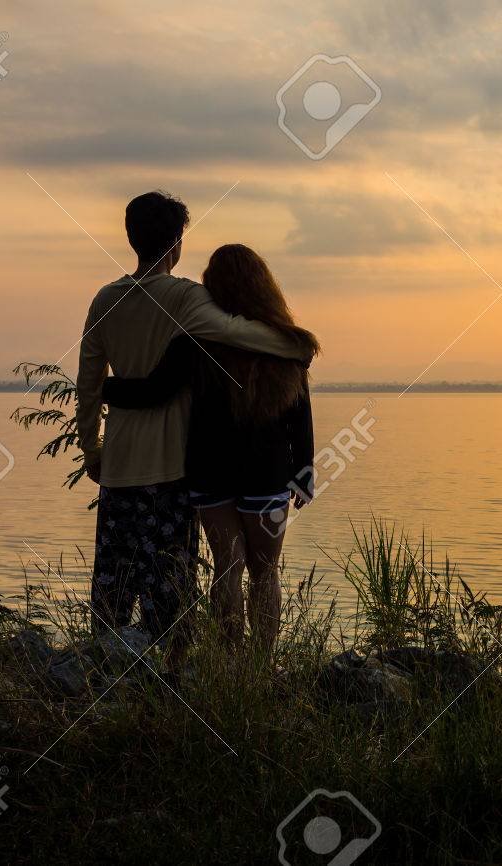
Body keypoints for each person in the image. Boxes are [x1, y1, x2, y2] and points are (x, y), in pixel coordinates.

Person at [76, 193, 317, 667]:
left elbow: (91, 385)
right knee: (179, 592)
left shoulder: (104, 300)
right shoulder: (186, 300)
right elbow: (236, 334)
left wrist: (92, 446)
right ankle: (209, 676)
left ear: (131, 237)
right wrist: (295, 344)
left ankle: (100, 676)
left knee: (115, 588)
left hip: (129, 468)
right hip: (172, 470)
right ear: (176, 245)